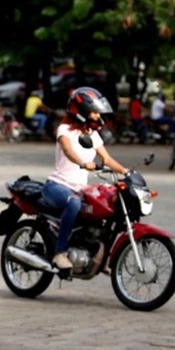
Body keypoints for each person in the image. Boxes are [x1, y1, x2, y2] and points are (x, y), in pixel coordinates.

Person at [41, 87, 129, 271]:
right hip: (57, 186)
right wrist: (82, 162)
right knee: (73, 203)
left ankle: (99, 257)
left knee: (106, 207)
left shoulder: (92, 134)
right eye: (95, 112)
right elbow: (67, 150)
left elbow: (106, 159)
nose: (98, 116)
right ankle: (60, 253)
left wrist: (126, 172)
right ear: (81, 112)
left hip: (79, 188)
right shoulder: (64, 129)